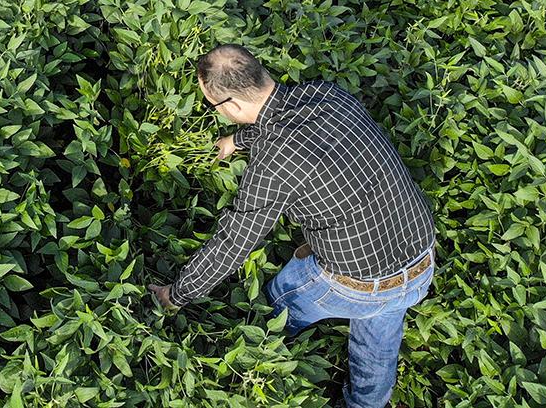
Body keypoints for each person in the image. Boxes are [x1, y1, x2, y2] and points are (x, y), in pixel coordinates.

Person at [147, 44, 437, 408]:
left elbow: (232, 244)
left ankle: (255, 361)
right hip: (422, 255)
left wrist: (176, 295)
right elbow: (284, 125)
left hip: (359, 283)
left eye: (213, 106)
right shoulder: (326, 94)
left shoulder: (273, 164)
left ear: (231, 106)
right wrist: (238, 141)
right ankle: (367, 403)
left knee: (278, 299)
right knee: (379, 335)